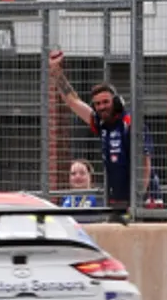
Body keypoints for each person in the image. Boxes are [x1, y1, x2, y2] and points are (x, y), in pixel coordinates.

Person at [49, 50, 157, 212]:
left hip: (141, 198)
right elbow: (72, 101)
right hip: (116, 197)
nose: (102, 107)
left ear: (116, 101)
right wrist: (56, 73)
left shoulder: (130, 123)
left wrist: (138, 198)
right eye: (98, 104)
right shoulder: (100, 122)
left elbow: (145, 162)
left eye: (105, 102)